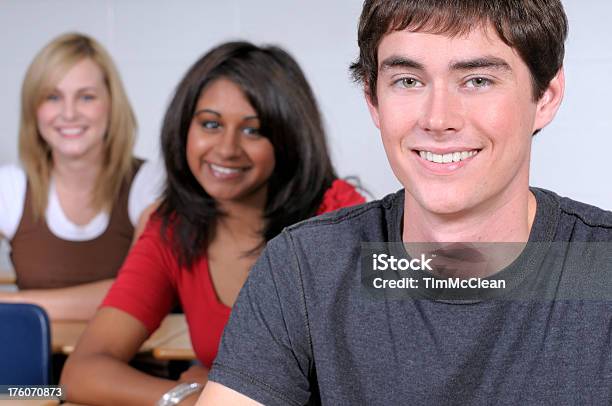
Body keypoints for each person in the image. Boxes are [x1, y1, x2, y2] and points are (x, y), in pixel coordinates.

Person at [198, 1, 612, 405]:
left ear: (546, 97)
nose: (437, 118)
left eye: (478, 80)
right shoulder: (307, 269)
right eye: (409, 81)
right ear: (373, 100)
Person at [60, 41, 365, 405]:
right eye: (210, 124)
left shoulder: (337, 211)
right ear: (184, 126)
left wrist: (238, 387)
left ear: (287, 139)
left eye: (252, 130)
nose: (226, 149)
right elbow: (82, 372)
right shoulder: (171, 228)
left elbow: (389, 362)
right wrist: (192, 397)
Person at [0, 33, 162, 320]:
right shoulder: (10, 186)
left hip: (129, 364)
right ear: (33, 109)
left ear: (111, 105)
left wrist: (12, 305)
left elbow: (139, 293)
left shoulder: (149, 183)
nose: (69, 113)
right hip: (32, 366)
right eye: (53, 97)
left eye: (86, 97)